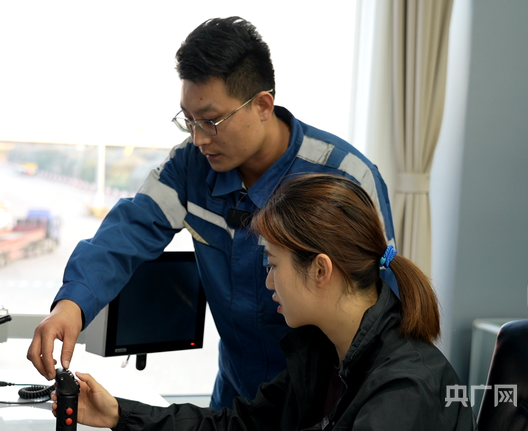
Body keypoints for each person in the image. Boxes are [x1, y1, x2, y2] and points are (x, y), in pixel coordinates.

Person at [28, 17, 395, 410]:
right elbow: (126, 231)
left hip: (323, 403)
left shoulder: (344, 177)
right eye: (188, 120)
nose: (198, 138)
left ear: (262, 105)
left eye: (211, 121)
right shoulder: (191, 167)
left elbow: (380, 310)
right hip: (235, 399)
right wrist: (71, 305)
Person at [51, 174, 476, 431]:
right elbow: (239, 425)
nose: (268, 280)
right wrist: (118, 414)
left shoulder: (403, 392)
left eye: (272, 264)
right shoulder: (322, 352)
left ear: (321, 270)